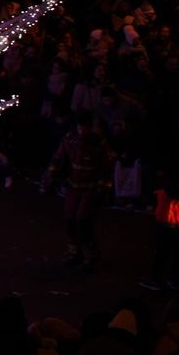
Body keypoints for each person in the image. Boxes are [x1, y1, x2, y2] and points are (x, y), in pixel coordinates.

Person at [52, 112, 113, 267]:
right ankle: (74, 251)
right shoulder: (70, 139)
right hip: (73, 185)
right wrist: (52, 172)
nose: (81, 130)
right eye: (79, 127)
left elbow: (107, 167)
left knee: (83, 220)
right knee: (69, 218)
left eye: (84, 127)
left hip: (90, 187)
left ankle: (89, 254)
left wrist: (104, 188)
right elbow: (59, 157)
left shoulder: (99, 143)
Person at [141, 177, 179, 291]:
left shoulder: (161, 194)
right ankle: (175, 281)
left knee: (162, 254)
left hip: (165, 226)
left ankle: (157, 280)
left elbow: (150, 204)